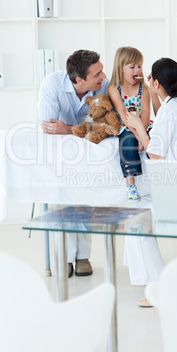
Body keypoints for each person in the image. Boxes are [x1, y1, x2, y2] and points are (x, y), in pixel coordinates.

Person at [125, 57, 177, 307]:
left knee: (134, 215)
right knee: (137, 205)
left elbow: (154, 155)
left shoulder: (169, 111)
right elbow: (164, 131)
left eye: (149, 77)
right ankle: (151, 280)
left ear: (156, 82)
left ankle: (157, 286)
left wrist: (138, 126)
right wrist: (154, 91)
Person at [38, 49, 109, 278]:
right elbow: (50, 130)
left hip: (87, 150)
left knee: (85, 198)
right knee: (61, 200)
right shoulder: (52, 85)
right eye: (97, 73)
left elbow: (106, 128)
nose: (103, 75)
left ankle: (82, 257)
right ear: (80, 80)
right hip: (57, 153)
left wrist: (69, 129)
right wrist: (78, 132)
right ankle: (65, 257)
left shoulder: (104, 85)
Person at [107, 47, 151, 201]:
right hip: (127, 125)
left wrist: (142, 132)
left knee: (156, 138)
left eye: (139, 66)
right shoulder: (114, 89)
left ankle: (159, 172)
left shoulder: (144, 89)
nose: (137, 70)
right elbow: (123, 113)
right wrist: (137, 135)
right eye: (132, 67)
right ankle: (130, 182)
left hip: (142, 124)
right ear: (120, 68)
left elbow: (145, 112)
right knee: (127, 140)